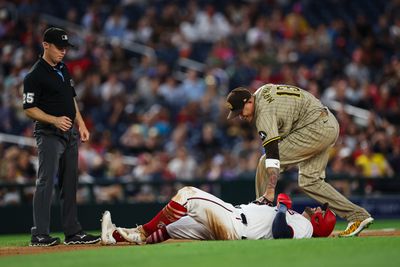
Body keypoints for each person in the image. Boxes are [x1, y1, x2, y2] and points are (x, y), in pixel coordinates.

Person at [224, 84, 373, 237]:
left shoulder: (263, 112)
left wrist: (269, 191)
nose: (240, 116)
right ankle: (357, 215)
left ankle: (261, 218)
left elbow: (273, 153)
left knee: (264, 162)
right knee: (310, 181)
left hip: (314, 127)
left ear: (249, 101)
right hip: (327, 124)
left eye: (240, 111)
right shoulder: (263, 90)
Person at [23, 27, 100, 246]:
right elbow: (28, 108)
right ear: (45, 45)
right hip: (49, 134)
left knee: (69, 182)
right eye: (59, 47)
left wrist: (81, 123)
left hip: (70, 134)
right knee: (46, 181)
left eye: (65, 47)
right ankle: (39, 234)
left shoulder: (63, 69)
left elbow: (71, 99)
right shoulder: (34, 75)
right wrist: (54, 119)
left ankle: (72, 232)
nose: (63, 51)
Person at [100, 186, 336, 245]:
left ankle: (142, 233)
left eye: (320, 212)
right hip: (236, 223)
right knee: (172, 226)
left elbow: (281, 233)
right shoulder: (301, 220)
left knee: (188, 195)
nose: (317, 208)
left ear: (319, 222)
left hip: (234, 224)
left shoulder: (306, 228)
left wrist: (282, 207)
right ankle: (114, 237)